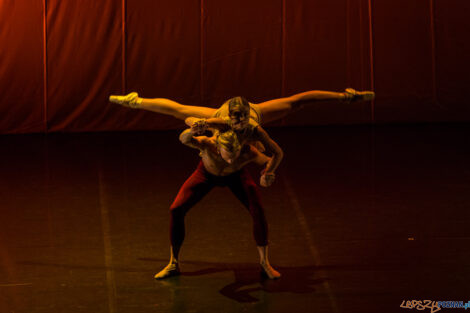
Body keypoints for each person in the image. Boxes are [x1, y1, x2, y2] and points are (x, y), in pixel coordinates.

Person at [154, 121, 282, 280]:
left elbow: (270, 160)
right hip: (206, 175)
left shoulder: (249, 151)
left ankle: (265, 263)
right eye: (227, 157)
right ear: (219, 148)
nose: (230, 161)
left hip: (236, 177)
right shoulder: (208, 144)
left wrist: (268, 173)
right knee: (176, 209)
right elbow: (184, 139)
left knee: (258, 210)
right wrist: (191, 131)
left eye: (233, 157)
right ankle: (173, 263)